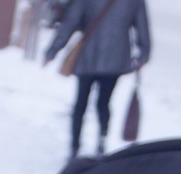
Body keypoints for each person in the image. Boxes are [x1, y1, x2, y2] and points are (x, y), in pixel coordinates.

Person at [44, 0, 150, 158]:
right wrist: (143, 55)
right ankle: (101, 141)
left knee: (80, 103)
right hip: (115, 58)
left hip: (88, 57)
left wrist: (52, 50)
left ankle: (74, 147)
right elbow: (142, 26)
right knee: (104, 102)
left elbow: (71, 22)